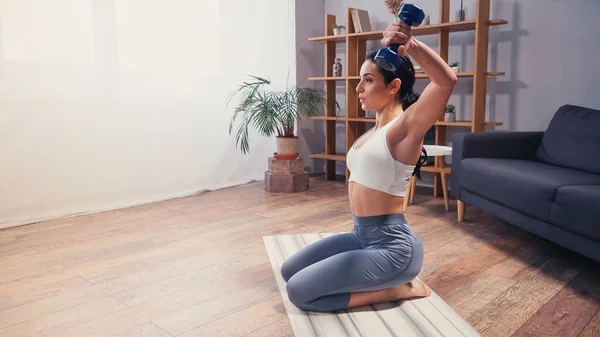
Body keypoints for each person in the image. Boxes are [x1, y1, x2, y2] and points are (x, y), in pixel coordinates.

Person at [279, 19, 458, 312]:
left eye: (368, 80)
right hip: (361, 235)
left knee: (299, 292)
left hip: (393, 248)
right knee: (290, 271)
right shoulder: (371, 133)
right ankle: (375, 278)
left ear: (393, 86)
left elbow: (446, 81)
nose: (358, 88)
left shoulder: (405, 128)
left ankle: (399, 288)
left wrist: (410, 46)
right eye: (360, 79)